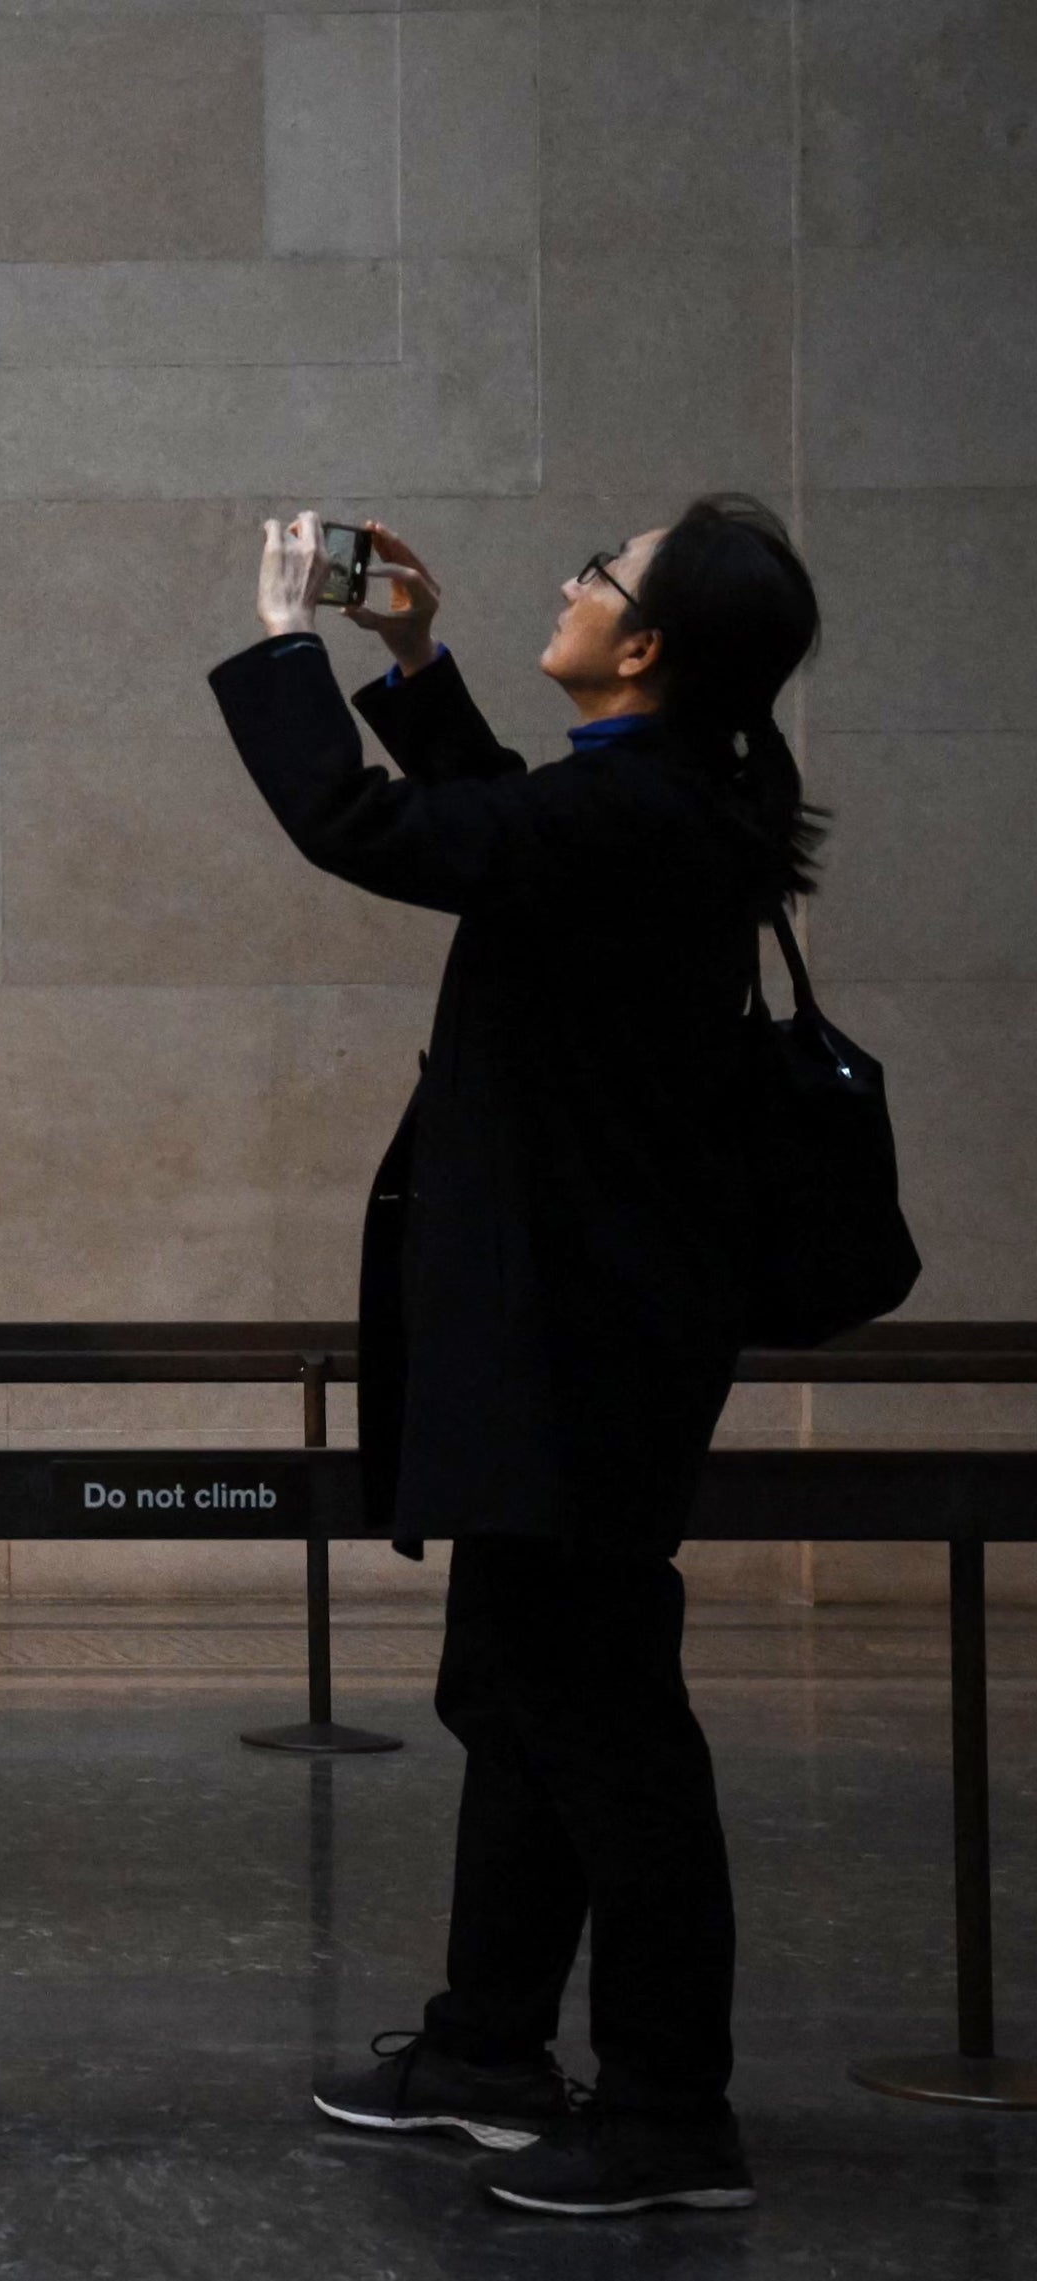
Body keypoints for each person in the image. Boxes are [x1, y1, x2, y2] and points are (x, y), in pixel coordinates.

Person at [209, 497, 824, 2217]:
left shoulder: (638, 809)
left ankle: (669, 2112)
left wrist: (284, 644)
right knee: (521, 1684)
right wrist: (409, 660)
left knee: (599, 1713)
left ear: (646, 650)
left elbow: (377, 831)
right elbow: (516, 825)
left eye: (602, 577)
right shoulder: (668, 791)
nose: (570, 580)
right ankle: (485, 2045)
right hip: (583, 1323)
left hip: (584, 1337)